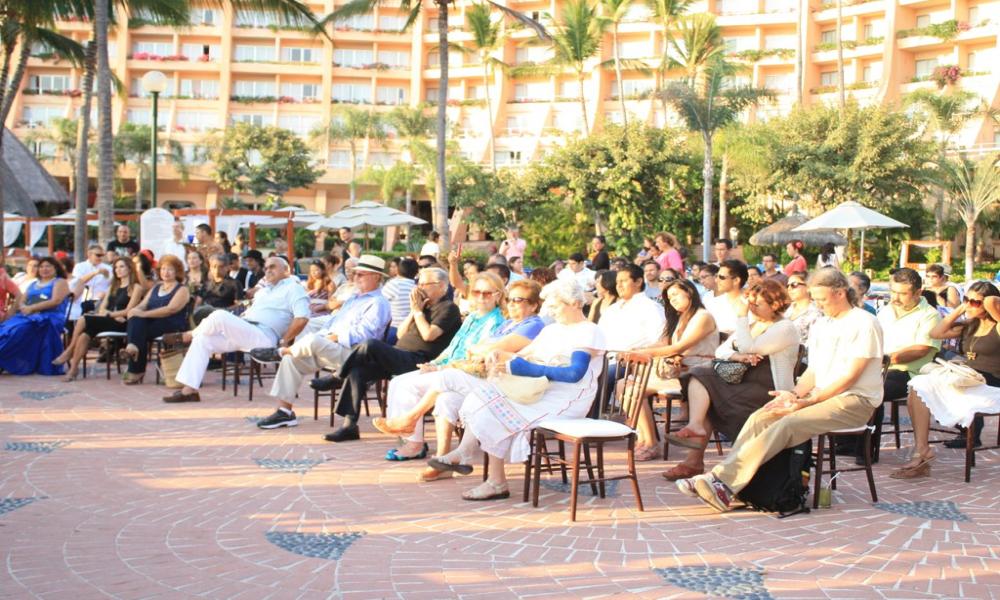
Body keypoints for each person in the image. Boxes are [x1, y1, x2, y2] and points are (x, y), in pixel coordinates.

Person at [678, 268, 883, 512]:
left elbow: (851, 376)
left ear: (840, 293)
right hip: (820, 396)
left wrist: (808, 401)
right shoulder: (822, 324)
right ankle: (727, 484)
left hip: (855, 400)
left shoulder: (864, 322)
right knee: (762, 415)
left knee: (789, 423)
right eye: (815, 299)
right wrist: (793, 394)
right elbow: (813, 371)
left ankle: (721, 481)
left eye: (822, 299)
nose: (818, 305)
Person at [428, 279, 606, 501]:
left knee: (491, 406)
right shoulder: (553, 330)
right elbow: (524, 355)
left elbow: (574, 374)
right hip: (541, 391)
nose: (551, 311)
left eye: (556, 305)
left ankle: (490, 477)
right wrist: (501, 356)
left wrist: (525, 367)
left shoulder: (588, 330)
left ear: (575, 303)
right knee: (484, 395)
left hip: (566, 399)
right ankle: (478, 464)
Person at [663, 280, 799, 481]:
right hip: (745, 381)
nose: (751, 308)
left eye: (757, 304)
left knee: (704, 379)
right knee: (701, 379)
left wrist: (742, 317)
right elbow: (722, 350)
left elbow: (747, 347)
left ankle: (694, 457)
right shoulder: (754, 324)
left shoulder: (784, 327)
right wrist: (737, 356)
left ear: (775, 305)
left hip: (770, 388)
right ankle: (695, 430)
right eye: (750, 304)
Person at [375, 272, 510, 460]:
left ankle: (412, 438)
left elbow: (476, 361)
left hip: (472, 375)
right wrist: (434, 363)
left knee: (407, 384)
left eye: (486, 293)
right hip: (451, 369)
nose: (480, 297)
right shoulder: (472, 317)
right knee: (400, 381)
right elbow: (453, 348)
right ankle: (416, 443)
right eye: (476, 292)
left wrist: (440, 368)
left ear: (498, 295)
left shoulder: (496, 321)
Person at [321, 267, 462, 442]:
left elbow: (429, 335)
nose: (420, 288)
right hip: (399, 354)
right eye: (419, 283)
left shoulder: (448, 308)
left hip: (420, 360)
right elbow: (401, 334)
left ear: (441, 286)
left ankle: (338, 375)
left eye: (425, 284)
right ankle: (349, 426)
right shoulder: (421, 306)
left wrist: (418, 312)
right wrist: (414, 311)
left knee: (370, 344)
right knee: (358, 370)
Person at [255, 256, 392, 429]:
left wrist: (330, 338)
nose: (355, 278)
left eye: (360, 275)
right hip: (333, 349)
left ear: (376, 277)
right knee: (292, 359)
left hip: (355, 354)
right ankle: (285, 412)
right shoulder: (353, 299)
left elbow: (365, 334)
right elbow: (331, 324)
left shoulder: (378, 303)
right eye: (355, 274)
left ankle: (280, 351)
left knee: (312, 340)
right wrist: (324, 337)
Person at [891, 282, 1000, 478]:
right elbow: (935, 333)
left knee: (921, 384)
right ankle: (921, 450)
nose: (969, 304)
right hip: (964, 378)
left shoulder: (998, 326)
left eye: (975, 302)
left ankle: (922, 454)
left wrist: (991, 303)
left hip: (989, 383)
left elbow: (993, 302)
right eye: (967, 299)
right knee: (918, 385)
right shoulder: (970, 325)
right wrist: (961, 308)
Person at [163, 257, 308, 402]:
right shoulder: (264, 291)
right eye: (266, 268)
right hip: (245, 330)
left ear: (286, 270)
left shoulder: (294, 288)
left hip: (264, 336)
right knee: (203, 339)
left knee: (219, 315)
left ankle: (188, 336)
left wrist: (284, 341)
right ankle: (189, 391)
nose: (268, 270)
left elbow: (302, 318)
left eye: (273, 267)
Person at [845, 268, 939, 465]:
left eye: (902, 293)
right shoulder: (886, 311)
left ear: (918, 292)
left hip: (910, 372)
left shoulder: (929, 315)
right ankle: (847, 441)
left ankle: (866, 450)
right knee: (845, 383)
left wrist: (886, 359)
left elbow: (921, 349)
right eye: (893, 291)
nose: (895, 297)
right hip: (879, 367)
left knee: (872, 390)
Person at [632, 280, 718, 457]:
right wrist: (637, 351)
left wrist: (645, 353)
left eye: (675, 295)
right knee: (624, 386)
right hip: (679, 372)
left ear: (689, 293)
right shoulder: (680, 319)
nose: (672, 300)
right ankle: (647, 439)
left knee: (633, 388)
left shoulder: (703, 316)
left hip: (698, 375)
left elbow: (677, 349)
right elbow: (664, 343)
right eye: (669, 298)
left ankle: (650, 443)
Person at [53, 257, 144, 381]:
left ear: (129, 268)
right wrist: (109, 314)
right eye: (116, 267)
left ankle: (69, 350)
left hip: (123, 323)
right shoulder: (113, 286)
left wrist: (111, 314)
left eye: (121, 266)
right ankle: (73, 369)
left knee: (84, 318)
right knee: (84, 334)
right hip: (108, 320)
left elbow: (129, 310)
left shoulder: (135, 287)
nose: (118, 270)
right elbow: (102, 309)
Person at [119, 255, 191, 384]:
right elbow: (143, 305)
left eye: (170, 269)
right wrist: (134, 311)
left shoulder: (182, 289)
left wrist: (143, 314)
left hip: (171, 324)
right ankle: (133, 347)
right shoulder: (156, 288)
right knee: (136, 320)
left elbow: (170, 310)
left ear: (177, 272)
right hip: (153, 324)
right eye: (163, 269)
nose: (166, 272)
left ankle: (136, 369)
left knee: (139, 327)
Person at [0, 257, 71, 375]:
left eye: (48, 266)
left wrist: (32, 308)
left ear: (55, 268)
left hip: (51, 317)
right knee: (6, 328)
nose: (44, 269)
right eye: (41, 266)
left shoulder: (60, 282)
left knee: (18, 330)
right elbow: (22, 300)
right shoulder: (33, 284)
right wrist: (23, 307)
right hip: (29, 315)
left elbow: (56, 301)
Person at [702, 259, 748, 336]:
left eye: (721, 277)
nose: (716, 280)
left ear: (736, 280)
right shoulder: (712, 303)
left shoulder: (751, 303)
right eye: (716, 276)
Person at [69, 245, 112, 320]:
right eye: (98, 255)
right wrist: (95, 273)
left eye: (102, 255)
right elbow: (79, 282)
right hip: (82, 300)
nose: (101, 258)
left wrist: (108, 276)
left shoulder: (108, 268)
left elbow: (111, 284)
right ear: (89, 254)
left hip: (101, 301)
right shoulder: (80, 266)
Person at [382, 257, 418, 343]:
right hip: (412, 330)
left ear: (398, 270)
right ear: (416, 272)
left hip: (393, 329)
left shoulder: (394, 284)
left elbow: (381, 303)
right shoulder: (417, 287)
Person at [784, 271, 822, 344]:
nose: (789, 288)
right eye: (787, 286)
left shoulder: (816, 312)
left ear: (808, 287)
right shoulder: (789, 309)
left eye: (794, 285)